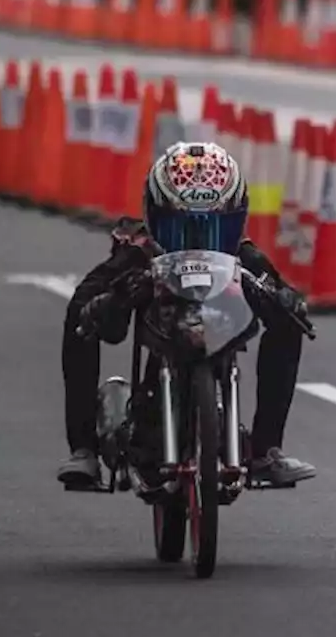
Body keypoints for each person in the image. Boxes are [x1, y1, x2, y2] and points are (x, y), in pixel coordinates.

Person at [57, 141, 317, 490]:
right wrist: (106, 303)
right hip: (161, 335)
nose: (197, 241)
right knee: (77, 315)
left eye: (211, 229)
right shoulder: (138, 251)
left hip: (219, 333)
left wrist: (288, 302)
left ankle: (266, 449)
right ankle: (84, 449)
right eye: (183, 229)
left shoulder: (245, 256)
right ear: (156, 220)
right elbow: (86, 302)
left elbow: (286, 296)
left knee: (289, 319)